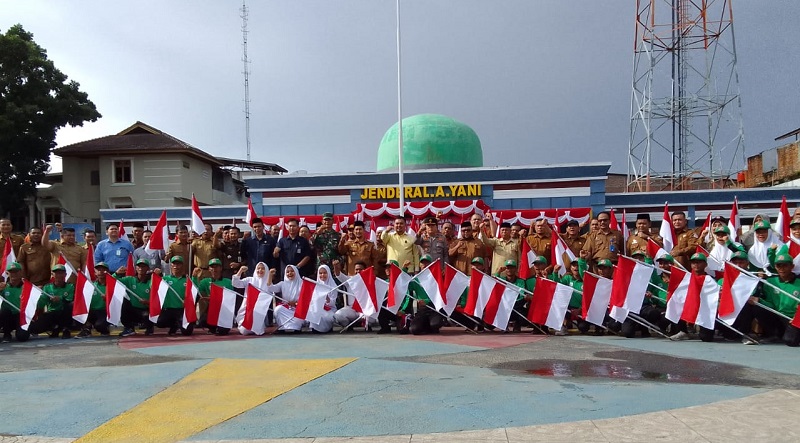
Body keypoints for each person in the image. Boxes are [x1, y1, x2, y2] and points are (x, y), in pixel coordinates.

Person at [754, 252, 800, 346]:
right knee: (757, 306)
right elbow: (771, 304)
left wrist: (796, 317)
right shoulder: (771, 282)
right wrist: (759, 301)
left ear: (792, 266)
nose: (782, 269)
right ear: (775, 267)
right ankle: (774, 334)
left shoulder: (799, 283)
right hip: (778, 315)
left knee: (790, 341)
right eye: (779, 265)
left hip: (793, 318)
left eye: (785, 265)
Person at [152, 256, 194, 336]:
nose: (176, 266)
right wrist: (155, 276)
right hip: (168, 310)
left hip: (182, 310)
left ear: (183, 266)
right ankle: (174, 325)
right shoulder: (165, 279)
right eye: (174, 264)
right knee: (159, 322)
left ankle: (179, 324)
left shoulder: (188, 280)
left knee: (187, 332)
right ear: (171, 266)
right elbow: (153, 287)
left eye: (178, 264)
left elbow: (194, 294)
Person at [194, 258, 235, 335]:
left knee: (223, 332)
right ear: (209, 269)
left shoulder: (228, 282)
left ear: (221, 268)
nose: (214, 269)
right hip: (211, 309)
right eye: (212, 267)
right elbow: (197, 293)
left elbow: (231, 299)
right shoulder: (204, 282)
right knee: (203, 321)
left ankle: (220, 327)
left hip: (224, 310)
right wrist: (194, 277)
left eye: (216, 266)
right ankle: (212, 327)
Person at [404, 255, 444, 335]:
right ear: (420, 265)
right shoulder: (416, 279)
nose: (424, 265)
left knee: (435, 325)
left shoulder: (436, 278)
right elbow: (404, 285)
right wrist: (404, 269)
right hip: (422, 310)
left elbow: (440, 294)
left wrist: (426, 301)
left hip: (434, 308)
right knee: (414, 330)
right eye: (422, 263)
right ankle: (426, 325)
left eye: (427, 263)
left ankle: (433, 324)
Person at [34, 264, 75, 339]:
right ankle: (55, 328)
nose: (59, 275)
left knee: (70, 306)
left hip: (64, 312)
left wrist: (60, 298)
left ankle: (66, 329)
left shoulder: (70, 286)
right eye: (57, 273)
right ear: (52, 275)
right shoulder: (47, 287)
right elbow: (41, 304)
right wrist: (37, 295)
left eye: (61, 273)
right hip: (52, 312)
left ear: (65, 274)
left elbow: (70, 300)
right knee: (35, 328)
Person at [115, 259, 153, 336]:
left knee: (146, 315)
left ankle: (149, 327)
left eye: (143, 266)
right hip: (134, 309)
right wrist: (116, 273)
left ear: (147, 269)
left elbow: (159, 297)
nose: (141, 269)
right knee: (124, 301)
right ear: (135, 268)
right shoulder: (130, 279)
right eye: (139, 266)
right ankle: (129, 328)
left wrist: (148, 302)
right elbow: (112, 281)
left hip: (147, 309)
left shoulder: (152, 281)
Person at [75, 262, 112, 338]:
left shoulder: (112, 285)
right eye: (98, 270)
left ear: (108, 272)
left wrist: (108, 298)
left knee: (99, 326)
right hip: (92, 311)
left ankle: (105, 329)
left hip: (105, 312)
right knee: (75, 307)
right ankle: (86, 329)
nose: (101, 272)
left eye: (103, 270)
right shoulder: (91, 285)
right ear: (95, 273)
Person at [232, 261, 270, 335]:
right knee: (244, 330)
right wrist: (240, 271)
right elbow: (236, 284)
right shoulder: (250, 280)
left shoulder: (268, 283)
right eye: (258, 268)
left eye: (263, 269)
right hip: (247, 309)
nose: (260, 270)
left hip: (260, 312)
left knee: (257, 330)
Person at [269, 265, 304, 333]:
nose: (290, 273)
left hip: (298, 309)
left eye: (292, 271)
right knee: (278, 309)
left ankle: (296, 328)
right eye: (287, 272)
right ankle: (283, 327)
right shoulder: (282, 284)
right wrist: (270, 275)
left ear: (296, 272)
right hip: (286, 308)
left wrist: (296, 303)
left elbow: (306, 298)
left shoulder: (302, 283)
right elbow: (271, 288)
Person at [0, 263, 29, 342]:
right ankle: (6, 334)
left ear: (21, 272)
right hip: (7, 317)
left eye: (16, 272)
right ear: (7, 273)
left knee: (22, 337)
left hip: (21, 316)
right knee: (4, 311)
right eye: (11, 272)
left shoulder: (27, 287)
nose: (14, 274)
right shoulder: (4, 287)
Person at [307, 264, 339, 333]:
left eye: (325, 273)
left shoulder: (333, 286)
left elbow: (332, 303)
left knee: (324, 315)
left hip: (329, 309)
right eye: (320, 273)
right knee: (314, 311)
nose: (322, 275)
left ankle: (326, 329)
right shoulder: (316, 285)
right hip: (317, 307)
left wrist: (327, 299)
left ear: (328, 273)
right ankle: (314, 329)